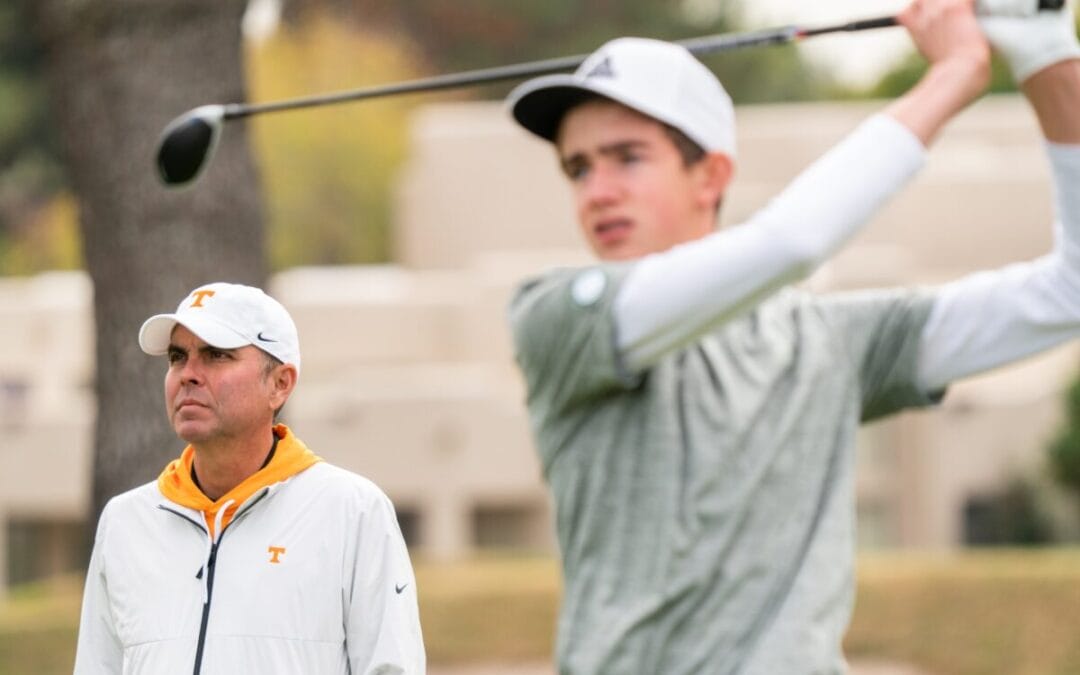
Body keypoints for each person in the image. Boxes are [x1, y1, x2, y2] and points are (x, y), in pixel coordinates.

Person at [505, 0, 1080, 672]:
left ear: (711, 175)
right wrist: (955, 72)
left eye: (626, 158)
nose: (596, 191)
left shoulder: (831, 341)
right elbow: (791, 244)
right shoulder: (555, 317)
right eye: (578, 167)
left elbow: (1068, 292)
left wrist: (1044, 49)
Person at [73, 282, 425, 674]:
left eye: (216, 355)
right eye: (177, 357)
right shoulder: (124, 522)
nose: (188, 374)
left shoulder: (353, 511)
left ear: (280, 383)